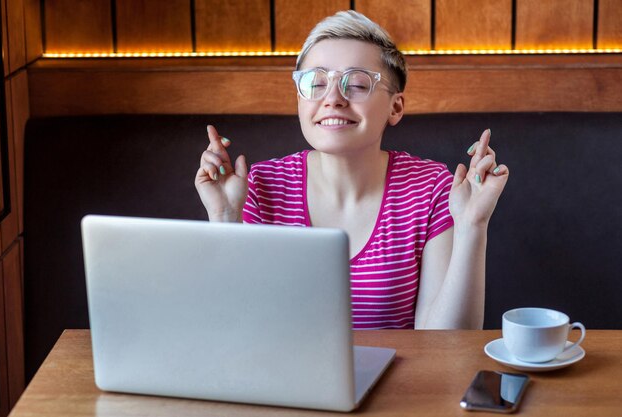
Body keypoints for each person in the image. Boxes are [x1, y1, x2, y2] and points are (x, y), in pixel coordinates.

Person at [195, 10, 509, 330]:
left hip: (402, 381)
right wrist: (224, 219)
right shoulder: (260, 187)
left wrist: (472, 225)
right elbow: (232, 331)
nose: (333, 99)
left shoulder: (431, 188)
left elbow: (444, 347)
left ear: (395, 106)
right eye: (315, 83)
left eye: (357, 84)